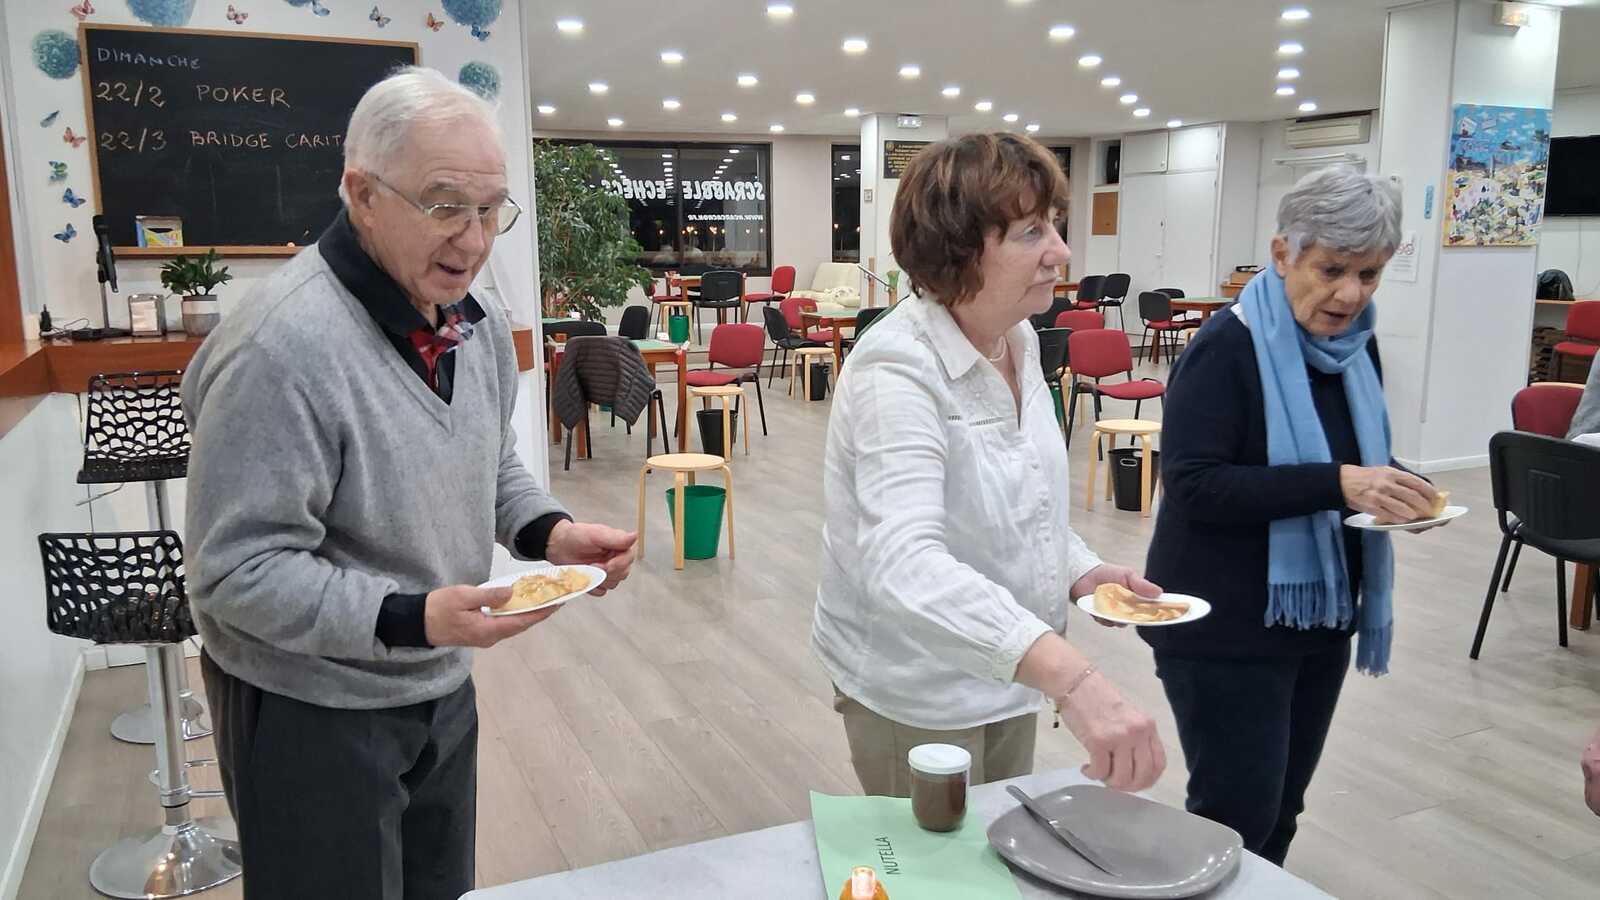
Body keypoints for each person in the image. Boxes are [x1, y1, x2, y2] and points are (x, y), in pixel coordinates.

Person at [182, 67, 637, 899]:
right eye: (444, 205)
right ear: (363, 194)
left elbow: (488, 460)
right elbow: (234, 572)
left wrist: (552, 533)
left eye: (491, 209)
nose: (474, 239)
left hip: (437, 683)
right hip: (307, 707)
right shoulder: (279, 348)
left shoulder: (475, 319)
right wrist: (412, 616)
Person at [811, 133, 1167, 797]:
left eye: (1053, 225)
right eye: (1031, 232)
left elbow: (1018, 500)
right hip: (917, 681)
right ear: (957, 252)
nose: (1061, 251)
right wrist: (1076, 680)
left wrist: (1081, 571)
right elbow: (904, 564)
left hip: (1009, 664)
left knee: (997, 834)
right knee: (937, 852)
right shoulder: (896, 368)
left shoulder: (1018, 339)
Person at [1143, 166, 1440, 865]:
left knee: (1280, 811)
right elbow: (1195, 484)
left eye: (1369, 274)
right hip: (1223, 623)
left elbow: (1354, 456)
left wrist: (1399, 487)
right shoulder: (1226, 347)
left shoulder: (1353, 347)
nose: (1351, 294)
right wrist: (1339, 484)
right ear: (1283, 255)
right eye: (1332, 269)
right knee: (1233, 819)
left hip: (1318, 620)